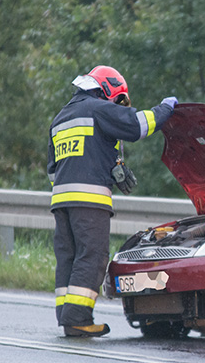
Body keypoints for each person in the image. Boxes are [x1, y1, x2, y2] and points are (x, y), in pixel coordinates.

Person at [47, 65, 178, 337]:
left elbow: (53, 169)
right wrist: (166, 108)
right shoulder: (97, 108)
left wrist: (108, 167)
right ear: (106, 89)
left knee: (68, 258)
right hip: (90, 201)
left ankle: (67, 316)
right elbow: (138, 125)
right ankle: (79, 318)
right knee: (92, 256)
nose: (116, 105)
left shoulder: (60, 118)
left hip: (61, 202)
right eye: (117, 99)